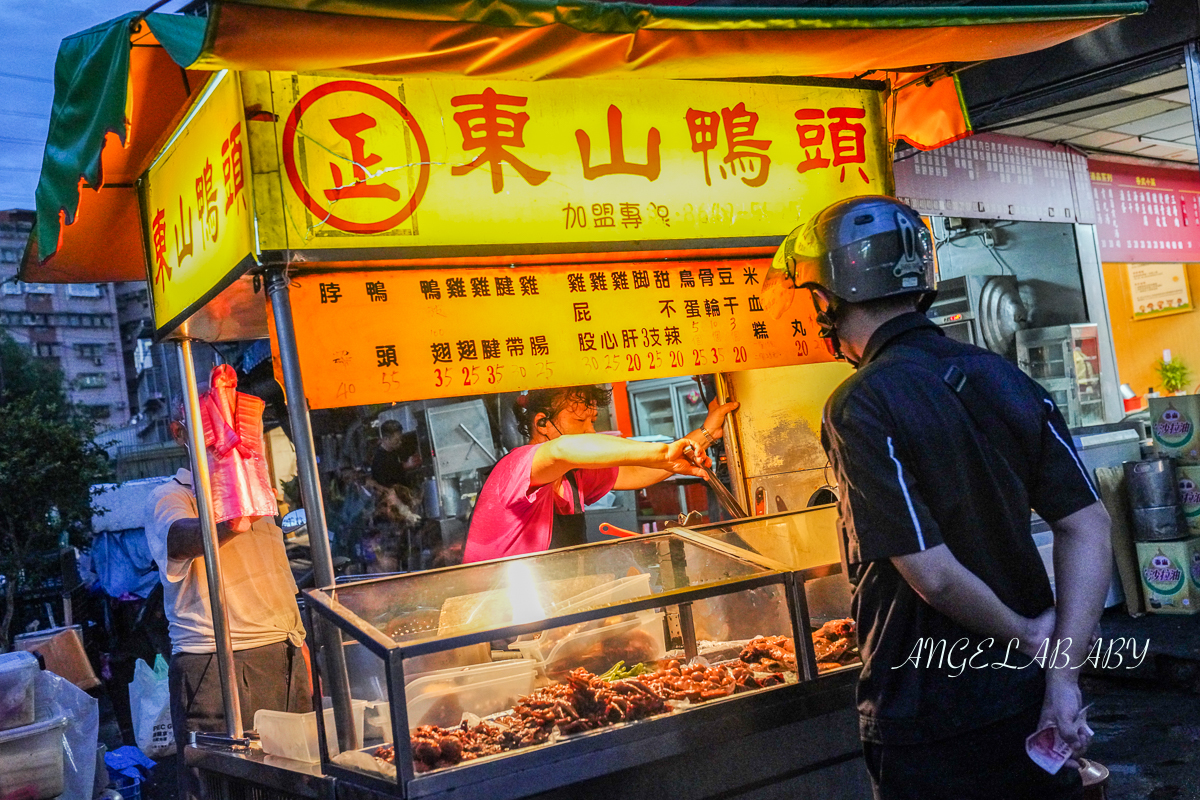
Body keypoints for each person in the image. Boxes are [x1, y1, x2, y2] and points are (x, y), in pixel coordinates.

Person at [777, 195, 1111, 799]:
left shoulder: (861, 402)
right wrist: (1061, 673)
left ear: (826, 299)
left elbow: (931, 573)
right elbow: (1087, 525)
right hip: (1026, 697)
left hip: (926, 707)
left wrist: (1023, 633)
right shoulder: (1007, 379)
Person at [145, 409, 311, 799]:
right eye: (207, 420)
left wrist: (297, 643)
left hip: (280, 651)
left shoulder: (256, 490)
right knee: (227, 785)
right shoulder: (172, 495)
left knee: (297, 779)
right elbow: (178, 539)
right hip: (215, 662)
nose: (222, 431)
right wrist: (226, 523)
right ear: (178, 433)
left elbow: (277, 574)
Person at [464, 384, 738, 562]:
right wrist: (663, 453)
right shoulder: (516, 466)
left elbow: (633, 472)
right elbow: (563, 449)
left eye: (592, 421)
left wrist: (705, 434)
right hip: (499, 623)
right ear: (543, 423)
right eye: (580, 421)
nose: (590, 431)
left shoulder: (574, 477)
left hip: (553, 615)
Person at [369, 420, 422, 493]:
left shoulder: (396, 450)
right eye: (396, 440)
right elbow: (389, 480)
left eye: (400, 439)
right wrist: (405, 466)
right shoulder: (379, 461)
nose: (400, 442)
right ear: (386, 439)